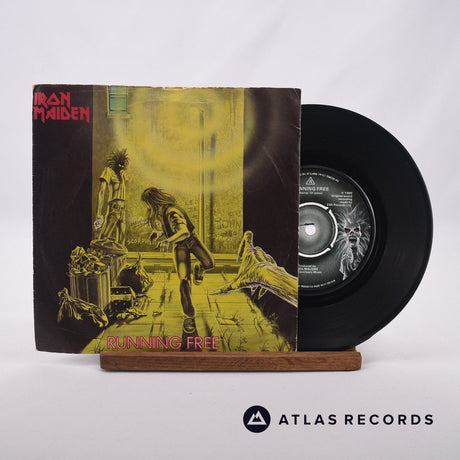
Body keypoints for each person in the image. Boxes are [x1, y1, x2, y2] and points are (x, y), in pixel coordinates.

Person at [141, 187, 214, 333]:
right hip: (180, 247)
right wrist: (160, 233)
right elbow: (172, 229)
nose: (148, 207)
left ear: (154, 201)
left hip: (192, 241)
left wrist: (167, 241)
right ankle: (189, 315)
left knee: (209, 263)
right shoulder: (161, 212)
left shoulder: (172, 212)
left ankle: (199, 268)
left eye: (148, 204)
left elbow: (184, 232)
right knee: (184, 280)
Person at [93, 149, 129, 248]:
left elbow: (124, 186)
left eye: (123, 164)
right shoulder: (108, 171)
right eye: (120, 164)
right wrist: (99, 212)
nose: (122, 167)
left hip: (123, 209)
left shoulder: (122, 174)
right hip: (114, 208)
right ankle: (100, 254)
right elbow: (101, 192)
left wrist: (122, 177)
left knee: (121, 240)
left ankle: (119, 257)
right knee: (104, 237)